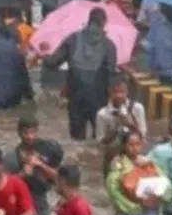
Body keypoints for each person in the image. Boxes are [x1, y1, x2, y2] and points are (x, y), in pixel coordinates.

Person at [41, 7, 118, 141]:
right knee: (100, 139)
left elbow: (52, 63)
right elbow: (112, 76)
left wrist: (44, 53)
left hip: (76, 95)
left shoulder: (72, 39)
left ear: (88, 21)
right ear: (104, 23)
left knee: (77, 139)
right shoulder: (109, 45)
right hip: (99, 97)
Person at [2, 115, 64, 215]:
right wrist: (22, 174)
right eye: (26, 133)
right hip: (19, 211)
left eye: (33, 132)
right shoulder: (11, 158)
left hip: (40, 210)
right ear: (19, 133)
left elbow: (59, 178)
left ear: (37, 131)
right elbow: (3, 186)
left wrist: (40, 165)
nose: (30, 137)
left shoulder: (48, 149)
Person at [105, 129, 171, 215]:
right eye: (131, 145)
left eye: (138, 144)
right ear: (124, 146)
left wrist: (158, 198)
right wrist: (137, 206)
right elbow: (113, 192)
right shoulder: (118, 165)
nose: (135, 148)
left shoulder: (149, 163)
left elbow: (166, 183)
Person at [96, 75, 147, 172]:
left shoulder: (137, 108)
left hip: (134, 158)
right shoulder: (102, 114)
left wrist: (129, 123)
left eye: (122, 92)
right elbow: (100, 143)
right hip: (112, 158)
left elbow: (142, 137)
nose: (119, 95)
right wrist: (116, 128)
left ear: (127, 91)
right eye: (115, 92)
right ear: (109, 92)